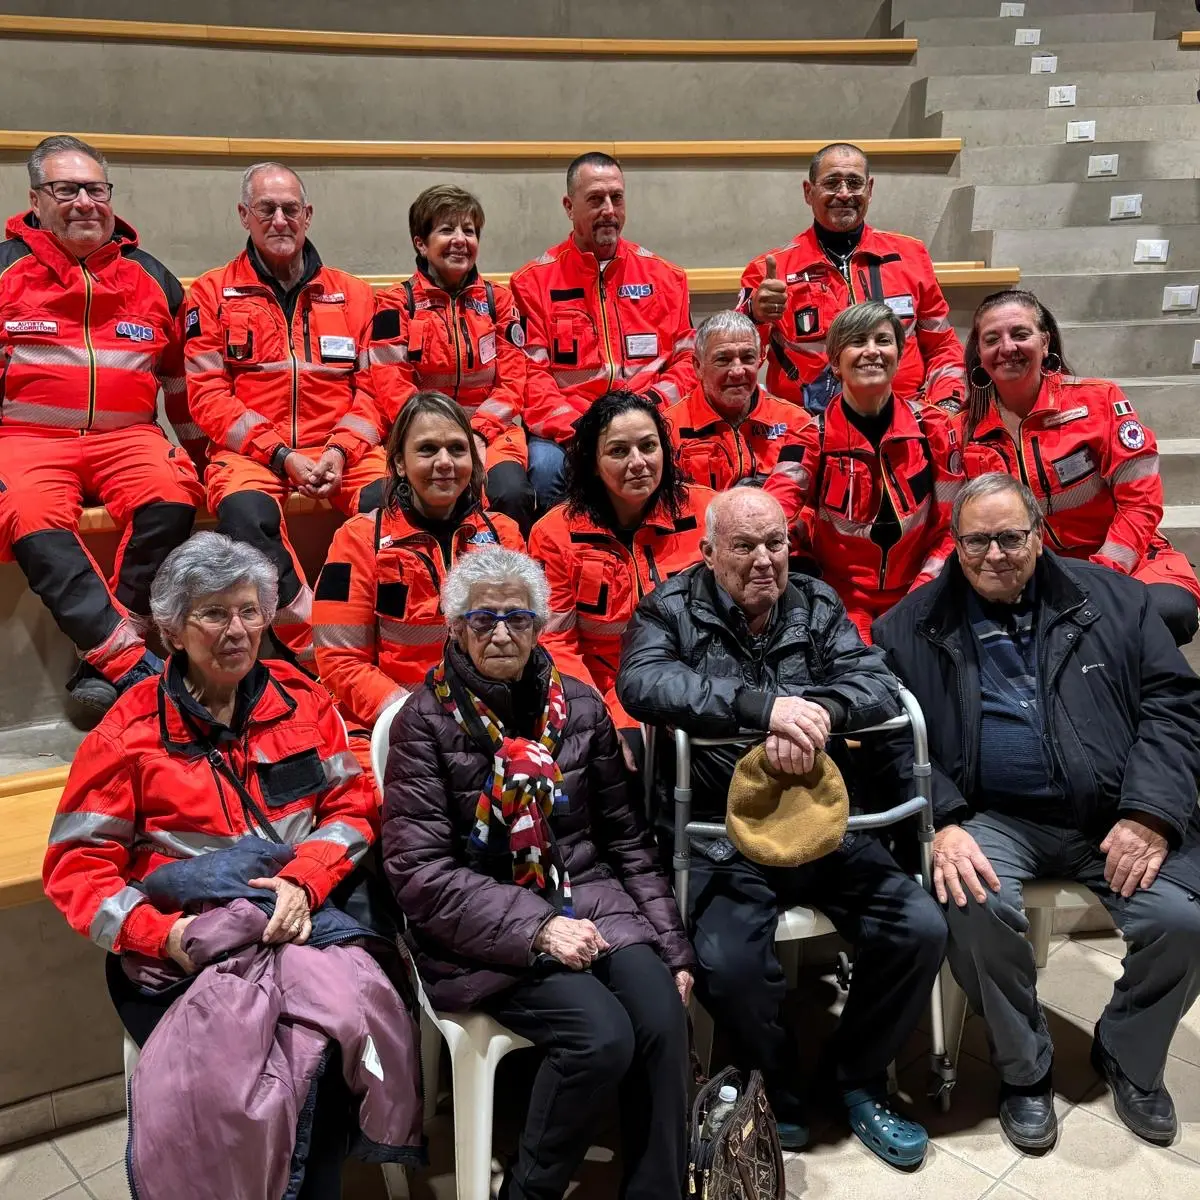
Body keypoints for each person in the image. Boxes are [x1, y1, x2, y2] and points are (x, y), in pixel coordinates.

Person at [42, 532, 387, 1196]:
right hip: (186, 956)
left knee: (312, 1058)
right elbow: (78, 870)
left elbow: (353, 806)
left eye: (250, 610)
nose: (238, 629)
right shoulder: (127, 731)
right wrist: (161, 936)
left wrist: (303, 880)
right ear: (173, 630)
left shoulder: (303, 698)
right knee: (261, 1076)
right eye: (213, 614)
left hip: (300, 928)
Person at [871, 473, 1200, 1153]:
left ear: (1039, 534)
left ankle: (1129, 1055)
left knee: (1184, 921)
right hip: (993, 815)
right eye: (977, 541)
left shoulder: (1116, 601)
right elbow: (892, 741)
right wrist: (947, 820)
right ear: (954, 546)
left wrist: (1152, 812)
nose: (995, 554)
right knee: (970, 898)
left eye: (1011, 537)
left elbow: (1175, 706)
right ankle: (1025, 1071)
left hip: (1115, 809)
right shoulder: (907, 627)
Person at [617, 488, 945, 1166]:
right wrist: (760, 709)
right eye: (744, 546)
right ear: (708, 553)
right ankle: (780, 1086)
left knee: (920, 930)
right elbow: (645, 684)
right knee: (731, 968)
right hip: (720, 833)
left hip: (825, 822)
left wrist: (816, 711)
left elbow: (875, 681)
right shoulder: (668, 608)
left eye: (776, 544)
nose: (764, 560)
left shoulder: (817, 603)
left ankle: (857, 1078)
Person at [382, 546, 694, 1200]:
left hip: (594, 903)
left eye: (518, 618)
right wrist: (541, 928)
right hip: (484, 933)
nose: (502, 633)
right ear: (455, 628)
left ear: (539, 625)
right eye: (483, 619)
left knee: (664, 1015)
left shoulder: (578, 707)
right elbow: (421, 875)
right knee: (601, 1039)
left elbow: (626, 841)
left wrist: (670, 946)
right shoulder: (424, 722)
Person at [0, 134, 203, 714]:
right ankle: (129, 662)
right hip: (26, 440)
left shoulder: (152, 278)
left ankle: (106, 651)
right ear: (35, 200)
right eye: (67, 190)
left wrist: (202, 459)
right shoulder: (3, 270)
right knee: (31, 518)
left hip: (129, 437)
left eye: (96, 188)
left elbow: (178, 383)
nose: (85, 201)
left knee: (173, 494)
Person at [184, 162, 386, 669]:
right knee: (244, 519)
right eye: (265, 209)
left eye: (290, 209)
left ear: (308, 215)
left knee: (395, 508)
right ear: (243, 216)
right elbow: (207, 396)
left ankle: (383, 637)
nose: (279, 219)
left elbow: (375, 392)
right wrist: (281, 453)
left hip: (346, 451)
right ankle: (317, 651)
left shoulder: (355, 295)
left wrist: (340, 449)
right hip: (253, 453)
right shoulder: (210, 294)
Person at [959, 288, 1200, 646]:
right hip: (1026, 572)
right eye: (992, 339)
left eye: (1020, 334)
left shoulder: (1099, 400)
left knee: (1166, 611)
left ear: (1045, 341)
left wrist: (1102, 573)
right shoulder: (963, 430)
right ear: (979, 354)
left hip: (1122, 558)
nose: (1007, 347)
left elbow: (1140, 502)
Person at [312, 391, 524, 769]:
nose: (445, 463)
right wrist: (414, 714)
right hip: (393, 722)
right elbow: (340, 660)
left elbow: (529, 642)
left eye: (457, 449)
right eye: (427, 450)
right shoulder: (357, 540)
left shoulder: (505, 536)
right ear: (398, 463)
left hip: (493, 719)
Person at [765, 301, 963, 641]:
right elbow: (773, 508)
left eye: (883, 341)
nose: (872, 351)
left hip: (922, 590)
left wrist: (924, 592)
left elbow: (952, 528)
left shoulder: (935, 429)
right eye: (857, 341)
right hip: (840, 599)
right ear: (835, 363)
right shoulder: (812, 436)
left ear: (899, 356)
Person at [510, 151, 696, 510]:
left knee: (695, 454)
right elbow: (531, 378)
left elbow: (688, 363)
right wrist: (584, 431)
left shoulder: (666, 278)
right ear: (569, 206)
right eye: (595, 199)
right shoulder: (532, 282)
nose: (609, 209)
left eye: (617, 197)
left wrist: (647, 412)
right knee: (548, 471)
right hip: (568, 429)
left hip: (649, 417)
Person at [527, 390, 713, 751]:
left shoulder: (708, 512)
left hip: (697, 681)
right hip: (607, 691)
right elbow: (557, 643)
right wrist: (594, 715)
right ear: (593, 463)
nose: (638, 462)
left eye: (648, 446)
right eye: (618, 451)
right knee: (616, 757)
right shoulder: (553, 535)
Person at [738, 142, 965, 415]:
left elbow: (942, 346)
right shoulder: (767, 271)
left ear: (869, 190)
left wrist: (946, 404)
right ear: (808, 192)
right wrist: (754, 315)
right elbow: (736, 357)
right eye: (832, 183)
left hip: (907, 423)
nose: (844, 194)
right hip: (809, 429)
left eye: (854, 183)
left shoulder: (910, 256)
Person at [369, 184, 535, 532]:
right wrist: (443, 438)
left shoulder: (499, 302)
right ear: (421, 243)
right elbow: (391, 385)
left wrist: (476, 434)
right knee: (394, 502)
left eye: (469, 231)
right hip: (422, 435)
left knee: (511, 493)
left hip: (491, 432)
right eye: (447, 230)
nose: (460, 239)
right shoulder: (395, 304)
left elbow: (513, 383)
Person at [665, 309, 812, 490]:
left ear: (759, 360)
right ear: (698, 366)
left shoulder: (796, 422)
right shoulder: (669, 427)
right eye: (723, 359)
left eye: (747, 358)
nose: (737, 371)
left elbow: (808, 504)